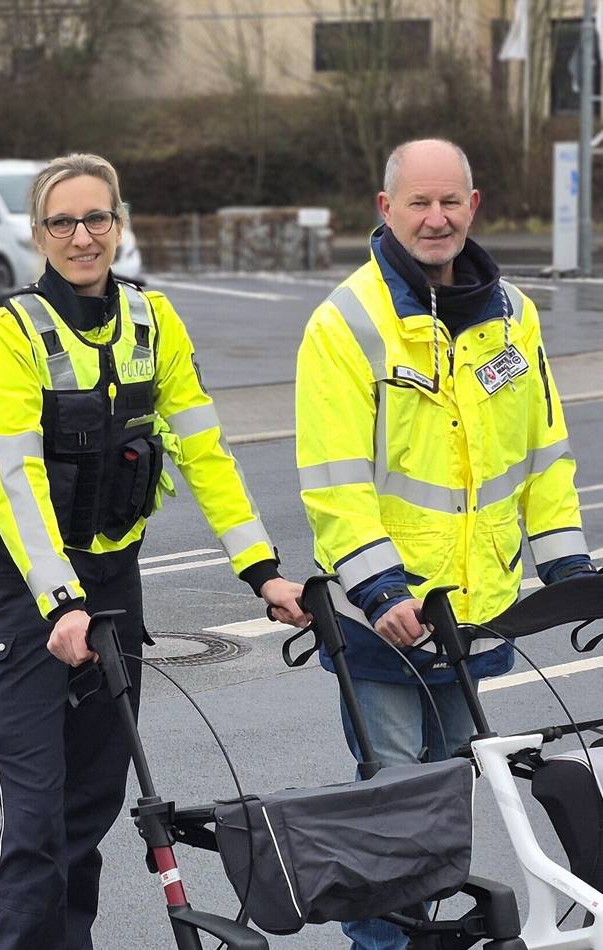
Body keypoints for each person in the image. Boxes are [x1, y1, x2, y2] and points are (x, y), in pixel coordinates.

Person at [0, 152, 308, 950]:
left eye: (97, 219)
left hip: (114, 590)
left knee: (85, 817)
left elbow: (204, 451)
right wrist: (60, 599)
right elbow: (13, 478)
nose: (82, 237)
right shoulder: (6, 332)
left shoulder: (154, 320)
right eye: (63, 222)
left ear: (119, 222)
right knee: (36, 823)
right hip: (25, 601)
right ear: (38, 232)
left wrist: (261, 569)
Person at [294, 138, 596, 950]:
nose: (436, 219)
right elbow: (335, 481)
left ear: (475, 205)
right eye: (419, 204)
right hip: (384, 623)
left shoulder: (514, 316)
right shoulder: (346, 322)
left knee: (453, 801)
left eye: (450, 202)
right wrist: (380, 590)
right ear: (386, 210)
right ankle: (383, 946)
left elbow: (543, 458)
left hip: (478, 616)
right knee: (395, 812)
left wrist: (569, 572)